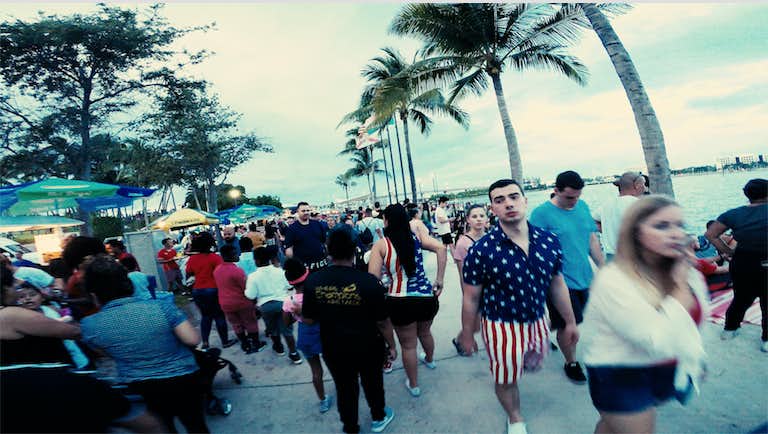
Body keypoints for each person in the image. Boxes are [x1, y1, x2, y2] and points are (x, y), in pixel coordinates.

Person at [457, 179, 579, 434]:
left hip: (537, 320)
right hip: (500, 325)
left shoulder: (549, 241)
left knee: (532, 363)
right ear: (493, 209)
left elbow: (557, 283)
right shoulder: (481, 251)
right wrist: (467, 333)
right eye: (499, 200)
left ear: (525, 200)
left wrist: (569, 322)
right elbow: (470, 298)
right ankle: (514, 417)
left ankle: (517, 365)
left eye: (513, 197)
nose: (508, 204)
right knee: (506, 378)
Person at [580, 195, 708, 434]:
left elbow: (694, 322)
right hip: (622, 374)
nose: (676, 233)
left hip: (665, 371)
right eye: (661, 226)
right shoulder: (614, 280)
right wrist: (680, 288)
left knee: (610, 427)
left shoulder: (683, 268)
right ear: (635, 233)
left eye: (679, 225)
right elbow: (655, 340)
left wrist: (695, 357)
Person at [80, 255, 210, 433]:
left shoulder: (89, 325)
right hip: (183, 377)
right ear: (129, 284)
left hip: (140, 385)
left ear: (93, 295)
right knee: (195, 424)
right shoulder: (162, 307)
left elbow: (105, 353)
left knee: (164, 425)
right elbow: (192, 339)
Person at [303, 229, 396, 434]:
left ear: (328, 251)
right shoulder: (369, 282)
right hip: (368, 345)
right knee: (373, 383)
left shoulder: (313, 281)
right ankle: (378, 417)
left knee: (344, 387)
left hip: (333, 346)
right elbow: (383, 322)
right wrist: (392, 345)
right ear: (354, 251)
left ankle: (350, 427)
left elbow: (308, 319)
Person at [529, 170, 604, 383]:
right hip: (558, 281)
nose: (574, 201)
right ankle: (571, 362)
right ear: (556, 190)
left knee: (574, 319)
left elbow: (591, 239)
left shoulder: (582, 206)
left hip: (584, 277)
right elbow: (534, 250)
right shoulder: (541, 214)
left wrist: (604, 267)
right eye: (570, 197)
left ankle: (537, 333)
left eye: (578, 196)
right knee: (568, 324)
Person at [368, 204, 447, 397]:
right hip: (426, 297)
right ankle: (430, 360)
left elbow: (372, 278)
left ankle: (414, 384)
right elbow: (441, 248)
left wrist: (386, 281)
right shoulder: (417, 239)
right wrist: (439, 279)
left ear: (386, 221)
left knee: (408, 345)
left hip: (399, 301)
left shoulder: (381, 245)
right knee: (425, 333)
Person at [705, 178, 767, 351]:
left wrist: (729, 251)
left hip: (742, 263)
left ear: (747, 195)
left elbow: (710, 234)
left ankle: (730, 330)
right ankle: (766, 341)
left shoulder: (733, 214)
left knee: (741, 298)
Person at [282, 258, 333, 413]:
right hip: (325, 333)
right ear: (307, 274)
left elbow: (286, 323)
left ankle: (323, 400)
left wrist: (296, 314)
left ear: (290, 282)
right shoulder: (319, 294)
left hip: (305, 336)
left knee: (316, 371)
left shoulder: (289, 301)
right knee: (334, 365)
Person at [245, 246, 301, 363]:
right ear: (269, 259)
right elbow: (289, 285)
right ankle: (294, 353)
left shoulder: (252, 276)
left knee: (272, 329)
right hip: (282, 304)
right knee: (287, 331)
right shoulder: (280, 271)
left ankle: (279, 348)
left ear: (256, 261)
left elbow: (250, 295)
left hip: (265, 306)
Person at [185, 232, 235, 349]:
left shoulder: (192, 259)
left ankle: (205, 342)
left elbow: (189, 273)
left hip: (198, 290)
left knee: (205, 316)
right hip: (213, 289)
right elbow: (221, 272)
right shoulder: (215, 257)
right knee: (219, 316)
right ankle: (225, 341)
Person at [214, 245, 266, 354]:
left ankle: (245, 344)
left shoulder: (217, 271)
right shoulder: (237, 271)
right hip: (241, 302)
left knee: (236, 324)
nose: (238, 255)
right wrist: (254, 301)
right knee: (250, 322)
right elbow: (245, 288)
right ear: (230, 255)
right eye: (235, 253)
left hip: (225, 303)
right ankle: (256, 343)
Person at [451, 204, 488, 356]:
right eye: (474, 216)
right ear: (468, 220)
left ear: (487, 218)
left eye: (482, 216)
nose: (478, 219)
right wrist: (468, 298)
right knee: (475, 326)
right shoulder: (463, 243)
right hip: (475, 290)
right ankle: (460, 340)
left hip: (493, 289)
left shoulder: (492, 237)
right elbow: (462, 275)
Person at [592, 171, 646, 261]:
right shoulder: (638, 204)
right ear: (637, 185)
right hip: (632, 257)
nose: (645, 187)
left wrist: (606, 230)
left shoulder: (607, 205)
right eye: (643, 184)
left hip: (611, 258)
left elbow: (591, 221)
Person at [284, 202, 328, 272]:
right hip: (303, 268)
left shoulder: (317, 224)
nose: (306, 212)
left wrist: (327, 255)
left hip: (321, 264)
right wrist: (291, 264)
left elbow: (324, 242)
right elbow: (289, 249)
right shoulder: (292, 228)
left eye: (308, 210)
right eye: (303, 211)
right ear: (298, 212)